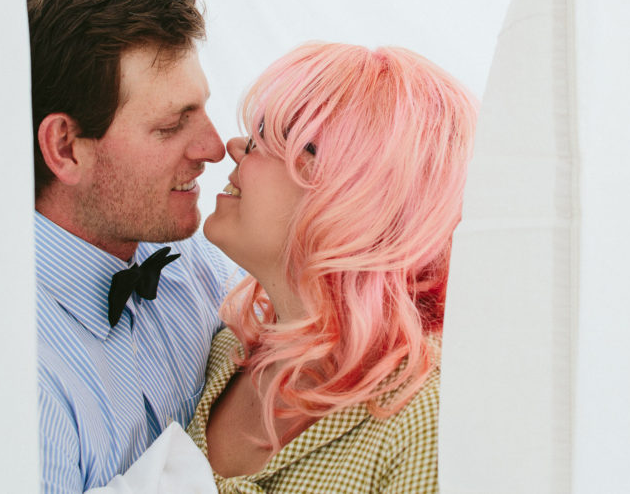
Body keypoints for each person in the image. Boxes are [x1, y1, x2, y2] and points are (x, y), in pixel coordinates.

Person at [186, 42, 478, 492]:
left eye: (267, 138)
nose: (235, 147)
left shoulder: (426, 419)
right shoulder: (222, 351)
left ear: (353, 194)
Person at [25, 0, 236, 493]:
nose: (215, 148)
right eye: (171, 126)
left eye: (202, 109)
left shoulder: (196, 265)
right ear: (65, 148)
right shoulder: (15, 379)